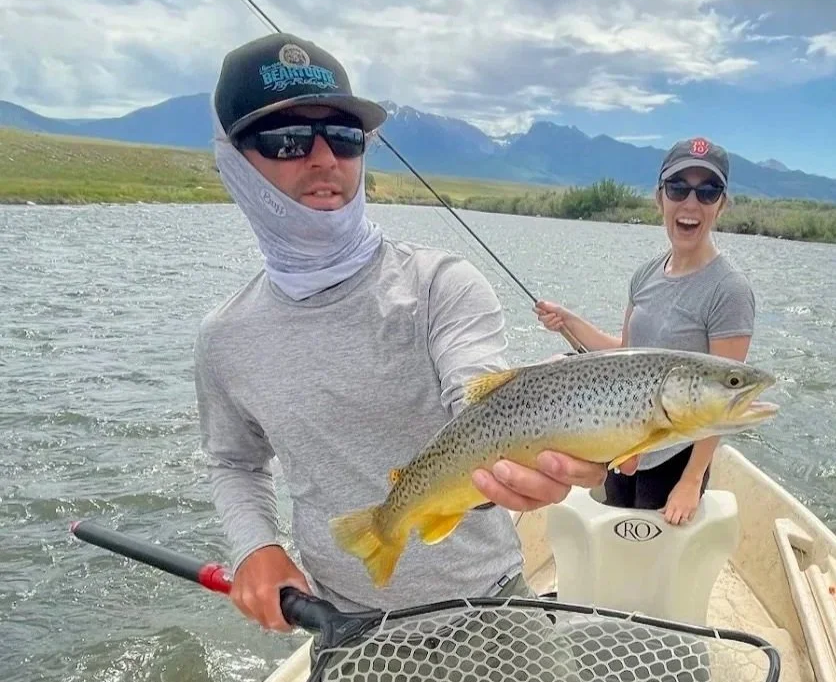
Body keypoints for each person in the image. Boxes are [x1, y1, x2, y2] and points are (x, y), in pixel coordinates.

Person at [195, 32, 635, 634]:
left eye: (345, 137)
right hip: (346, 621)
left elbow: (480, 402)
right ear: (233, 160)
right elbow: (233, 461)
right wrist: (255, 547)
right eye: (287, 139)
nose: (324, 159)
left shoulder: (440, 285)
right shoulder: (224, 337)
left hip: (493, 603)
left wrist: (534, 455)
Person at [535, 137, 756, 526]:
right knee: (618, 536)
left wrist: (690, 482)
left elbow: (721, 406)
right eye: (678, 188)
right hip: (624, 444)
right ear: (659, 198)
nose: (691, 203)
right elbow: (624, 353)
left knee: (653, 554)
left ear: (721, 204)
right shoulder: (645, 275)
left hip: (674, 457)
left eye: (707, 191)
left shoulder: (730, 291)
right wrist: (569, 321)